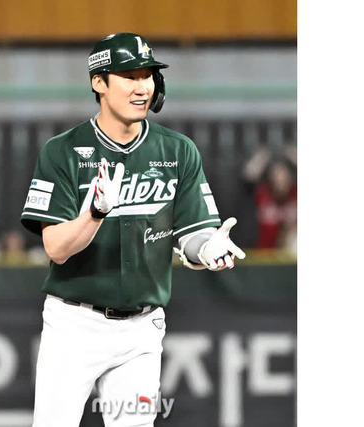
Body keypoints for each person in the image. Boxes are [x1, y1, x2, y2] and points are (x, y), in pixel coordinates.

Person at [20, 33, 246, 427]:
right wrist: (94, 213)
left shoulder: (177, 151)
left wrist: (207, 248)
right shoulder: (62, 151)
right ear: (99, 82)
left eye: (148, 75)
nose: (142, 87)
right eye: (129, 76)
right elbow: (55, 248)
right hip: (74, 325)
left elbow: (192, 234)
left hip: (141, 329)